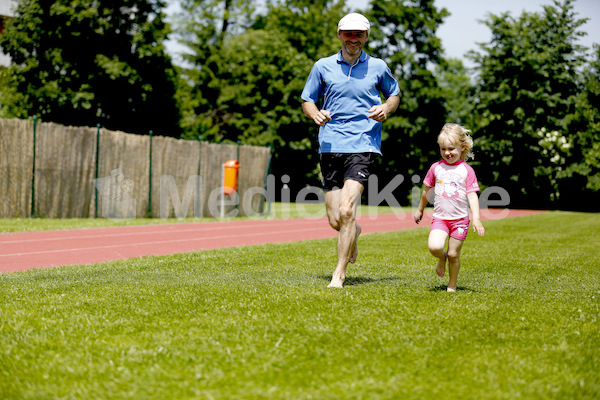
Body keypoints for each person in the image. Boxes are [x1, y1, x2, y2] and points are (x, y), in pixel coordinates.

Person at [301, 13, 400, 288]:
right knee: (336, 219)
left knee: (347, 209)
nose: (353, 38)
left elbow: (393, 94)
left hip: (364, 144)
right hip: (330, 145)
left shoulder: (378, 66)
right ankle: (353, 231)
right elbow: (307, 99)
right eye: (348, 33)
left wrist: (386, 108)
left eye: (358, 34)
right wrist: (314, 114)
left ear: (366, 36)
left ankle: (339, 274)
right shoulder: (322, 66)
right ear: (339, 35)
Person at [414, 123, 485, 292]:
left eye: (451, 148)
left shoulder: (466, 170)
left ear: (462, 147)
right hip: (440, 219)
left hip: (460, 221)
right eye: (443, 149)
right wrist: (420, 209)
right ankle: (441, 257)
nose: (447, 153)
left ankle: (452, 285)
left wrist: (476, 218)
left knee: (454, 254)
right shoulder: (436, 168)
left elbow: (472, 195)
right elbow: (426, 192)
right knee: (434, 247)